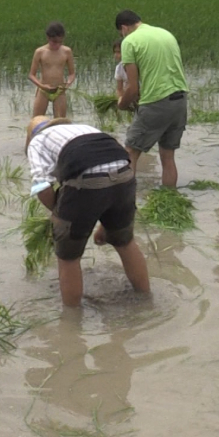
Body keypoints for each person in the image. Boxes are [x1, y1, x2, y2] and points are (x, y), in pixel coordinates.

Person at [25, 115, 150, 307]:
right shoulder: (85, 129)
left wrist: (59, 216)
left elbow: (42, 186)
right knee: (125, 242)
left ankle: (72, 321)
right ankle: (146, 299)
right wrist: (107, 224)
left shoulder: (37, 142)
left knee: (68, 256)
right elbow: (111, 167)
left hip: (88, 181)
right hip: (125, 174)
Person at [115, 10, 188, 188]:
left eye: (121, 32)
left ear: (124, 28)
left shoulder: (129, 42)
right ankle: (170, 198)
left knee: (130, 152)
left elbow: (132, 88)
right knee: (168, 156)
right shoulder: (165, 34)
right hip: (180, 100)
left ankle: (126, 201)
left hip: (157, 102)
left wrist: (122, 104)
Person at [29, 22, 77, 118]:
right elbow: (31, 75)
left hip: (59, 90)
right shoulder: (40, 52)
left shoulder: (67, 51)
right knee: (37, 120)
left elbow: (72, 74)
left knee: (60, 122)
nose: (57, 45)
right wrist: (42, 86)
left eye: (60, 42)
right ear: (48, 38)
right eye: (54, 42)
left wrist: (67, 84)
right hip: (43, 90)